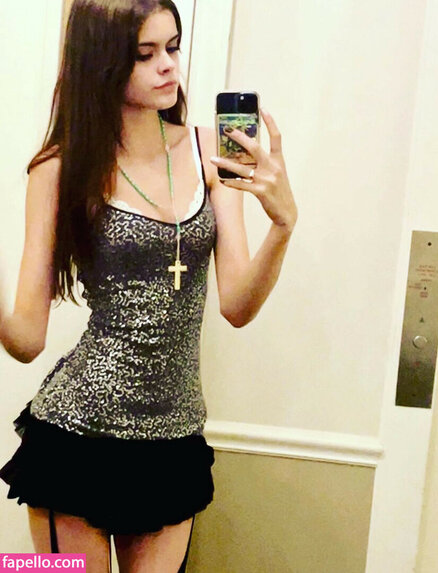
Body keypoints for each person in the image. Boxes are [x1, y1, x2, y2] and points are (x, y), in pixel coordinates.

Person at [0, 0, 297, 571]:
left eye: (173, 47)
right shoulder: (60, 167)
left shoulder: (211, 150)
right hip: (75, 436)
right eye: (145, 53)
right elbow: (26, 338)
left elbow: (237, 306)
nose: (168, 66)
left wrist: (283, 226)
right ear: (103, 62)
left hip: (174, 440)